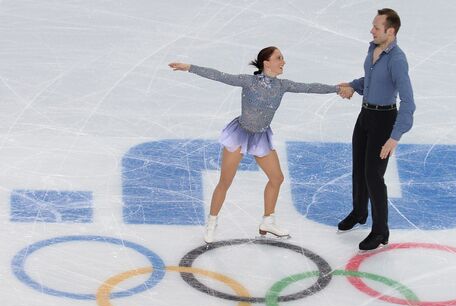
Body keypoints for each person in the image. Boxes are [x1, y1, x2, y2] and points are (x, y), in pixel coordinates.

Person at [169, 47, 343, 243]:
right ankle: (212, 222)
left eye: (283, 58)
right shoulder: (249, 82)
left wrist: (337, 89)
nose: (283, 62)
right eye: (279, 58)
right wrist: (189, 67)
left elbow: (310, 87)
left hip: (261, 136)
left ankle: (268, 221)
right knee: (225, 181)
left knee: (276, 178)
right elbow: (219, 75)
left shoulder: (282, 85)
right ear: (266, 63)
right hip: (240, 134)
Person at [337, 8, 415, 251]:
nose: (371, 31)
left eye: (376, 28)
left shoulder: (397, 60)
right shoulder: (373, 49)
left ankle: (381, 231)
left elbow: (409, 102)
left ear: (390, 32)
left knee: (373, 175)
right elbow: (369, 82)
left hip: (384, 121)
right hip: (365, 116)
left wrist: (395, 137)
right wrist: (351, 85)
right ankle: (360, 212)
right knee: (359, 168)